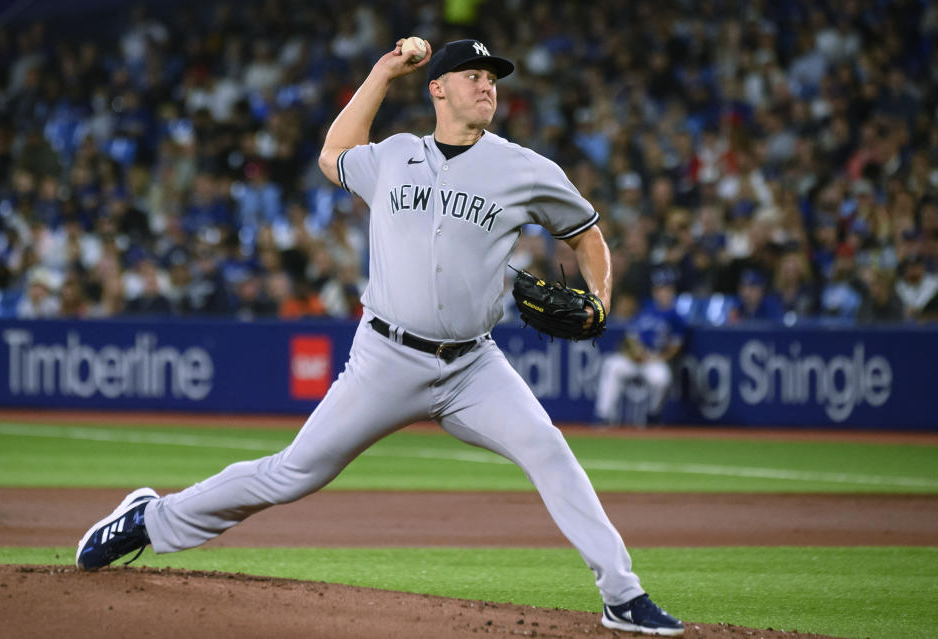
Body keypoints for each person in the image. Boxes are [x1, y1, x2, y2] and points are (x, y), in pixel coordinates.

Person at [74, 39, 683, 636]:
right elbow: (333, 152)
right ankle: (152, 519)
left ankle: (622, 595)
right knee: (293, 473)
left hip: (474, 367)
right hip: (386, 357)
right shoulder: (393, 155)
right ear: (437, 88)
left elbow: (586, 234)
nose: (487, 84)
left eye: (492, 76)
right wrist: (382, 73)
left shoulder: (525, 168)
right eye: (472, 74)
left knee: (549, 451)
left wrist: (600, 297)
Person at [595, 266, 686, 426]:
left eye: (666, 288)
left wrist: (658, 358)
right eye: (660, 289)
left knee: (661, 379)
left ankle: (653, 415)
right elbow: (630, 336)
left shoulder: (676, 316)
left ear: (672, 291)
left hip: (654, 359)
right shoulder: (645, 308)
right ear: (654, 291)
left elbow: (675, 346)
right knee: (612, 365)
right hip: (634, 358)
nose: (663, 292)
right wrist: (634, 351)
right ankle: (603, 416)